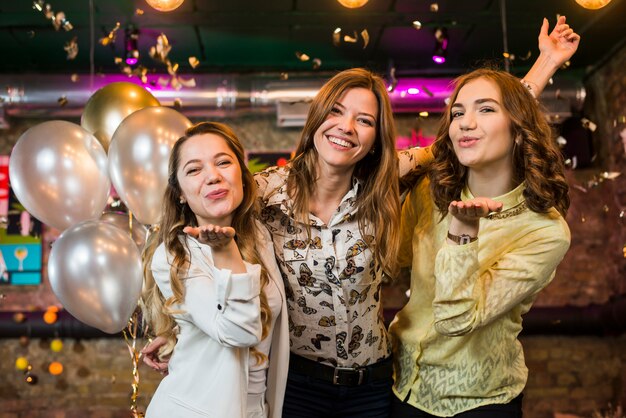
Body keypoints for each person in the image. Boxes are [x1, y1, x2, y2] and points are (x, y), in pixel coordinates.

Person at [143, 17, 578, 418]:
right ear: (316, 119)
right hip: (298, 384)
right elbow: (200, 231)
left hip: (373, 386)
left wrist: (545, 65)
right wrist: (179, 330)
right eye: (335, 112)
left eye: (364, 120)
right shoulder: (264, 192)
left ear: (374, 139)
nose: (346, 127)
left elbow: (477, 127)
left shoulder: (388, 182)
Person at [389, 66, 573, 417]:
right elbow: (390, 261)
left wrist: (461, 234)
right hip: (401, 386)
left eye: (485, 109)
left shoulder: (546, 232)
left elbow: (456, 321)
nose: (465, 122)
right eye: (458, 112)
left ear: (519, 131)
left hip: (478, 402)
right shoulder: (431, 191)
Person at [141, 122, 288, 418]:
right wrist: (224, 251)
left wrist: (175, 334)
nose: (213, 176)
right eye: (194, 170)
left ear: (243, 178)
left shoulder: (260, 234)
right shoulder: (173, 255)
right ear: (180, 193)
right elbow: (238, 331)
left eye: (223, 162)